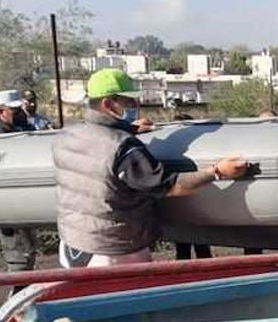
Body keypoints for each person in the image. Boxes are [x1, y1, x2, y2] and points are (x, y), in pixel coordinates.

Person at [53, 68, 247, 267]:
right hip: (113, 250)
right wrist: (217, 172)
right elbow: (168, 186)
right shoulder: (123, 147)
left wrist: (129, 128)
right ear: (108, 104)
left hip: (73, 243)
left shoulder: (66, 135)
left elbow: (96, 155)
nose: (135, 105)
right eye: (128, 101)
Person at [0, 90, 46, 290]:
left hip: (23, 201)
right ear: (1, 111)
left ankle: (21, 298)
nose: (19, 112)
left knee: (28, 253)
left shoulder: (23, 128)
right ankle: (16, 302)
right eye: (14, 110)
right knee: (17, 258)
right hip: (8, 204)